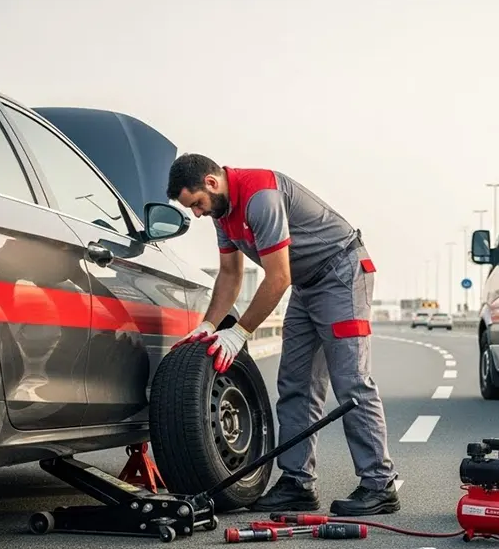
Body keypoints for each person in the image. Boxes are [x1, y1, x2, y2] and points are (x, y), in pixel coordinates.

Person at [166, 154, 400, 517]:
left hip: (342, 274)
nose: (196, 213)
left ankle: (379, 484)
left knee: (351, 381)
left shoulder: (261, 196)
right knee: (295, 384)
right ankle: (297, 483)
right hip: (308, 285)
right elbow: (230, 274)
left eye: (196, 204)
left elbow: (277, 278)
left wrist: (239, 333)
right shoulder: (222, 214)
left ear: (211, 183)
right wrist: (209, 326)